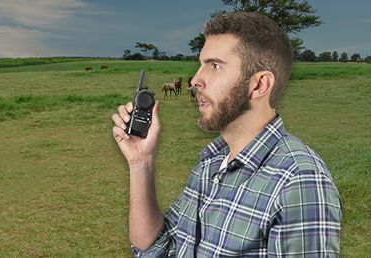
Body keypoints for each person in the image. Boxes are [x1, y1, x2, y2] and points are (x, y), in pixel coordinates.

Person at [110, 12, 341, 257]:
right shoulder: (210, 164)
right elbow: (156, 247)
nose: (195, 80)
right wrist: (140, 162)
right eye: (201, 65)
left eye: (215, 66)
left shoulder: (299, 181)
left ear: (259, 85)